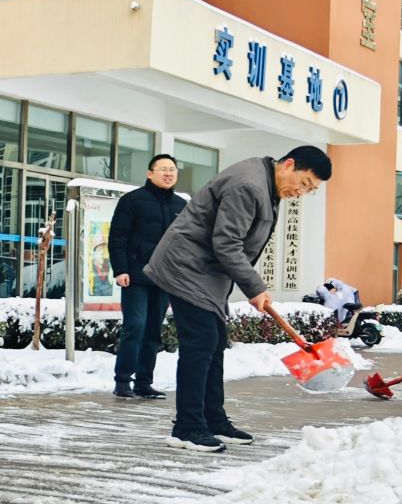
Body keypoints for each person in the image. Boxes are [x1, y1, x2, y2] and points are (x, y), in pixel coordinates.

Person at [142, 145, 334, 453]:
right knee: (201, 342)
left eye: (309, 190)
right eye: (304, 183)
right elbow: (227, 243)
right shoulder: (249, 185)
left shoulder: (267, 184)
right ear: (288, 165)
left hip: (207, 271)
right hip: (186, 266)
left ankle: (212, 420)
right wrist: (254, 286)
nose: (301, 192)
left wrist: (250, 284)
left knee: (215, 341)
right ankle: (187, 428)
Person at [106, 152, 184, 400]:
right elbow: (118, 237)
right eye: (163, 169)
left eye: (172, 169)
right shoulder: (133, 200)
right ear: (150, 174)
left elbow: (185, 243)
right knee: (135, 326)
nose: (168, 173)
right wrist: (121, 269)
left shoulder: (181, 206)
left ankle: (144, 382)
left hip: (164, 277)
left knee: (153, 331)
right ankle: (122, 380)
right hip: (135, 275)